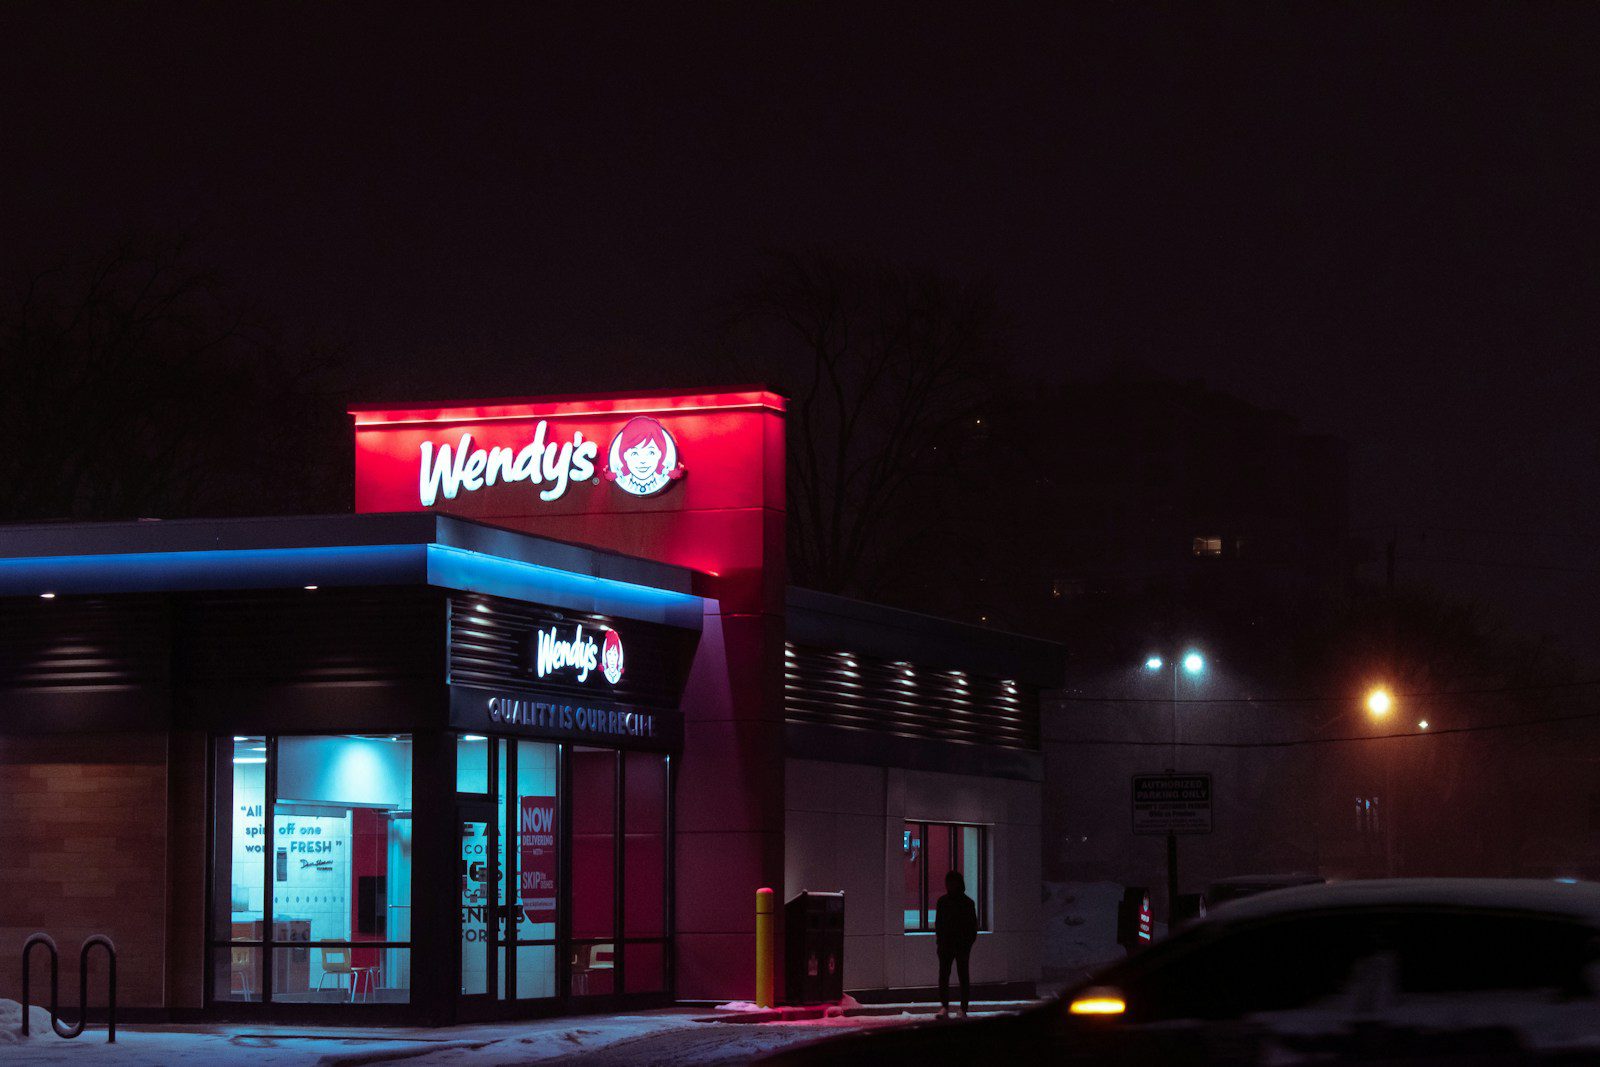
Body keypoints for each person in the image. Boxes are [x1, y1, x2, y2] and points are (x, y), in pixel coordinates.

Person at [934, 869, 978, 1018]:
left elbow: (972, 928)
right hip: (954, 946)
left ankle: (950, 1008)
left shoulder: (945, 902)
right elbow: (972, 928)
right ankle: (959, 1009)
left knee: (949, 976)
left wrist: (940, 943)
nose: (949, 885)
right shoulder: (966, 903)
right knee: (959, 976)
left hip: (954, 946)